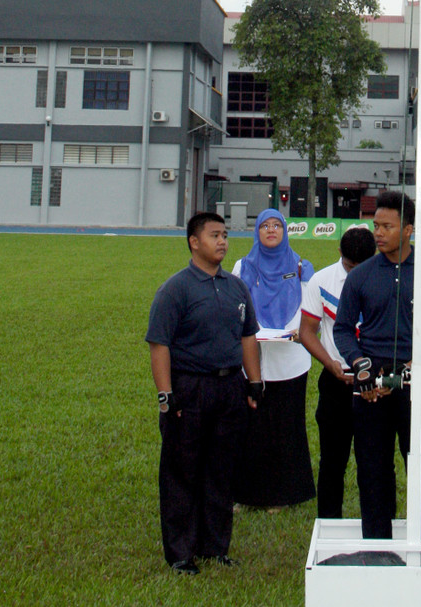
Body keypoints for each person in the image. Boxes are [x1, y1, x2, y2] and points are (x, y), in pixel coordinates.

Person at [334, 190, 421, 540]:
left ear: (408, 230)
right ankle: (377, 544)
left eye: (387, 226)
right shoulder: (360, 276)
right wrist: (360, 365)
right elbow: (343, 329)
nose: (378, 233)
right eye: (376, 225)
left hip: (414, 383)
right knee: (372, 469)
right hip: (370, 385)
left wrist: (410, 369)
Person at [146, 212, 264, 575]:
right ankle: (181, 553)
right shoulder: (175, 289)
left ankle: (215, 546)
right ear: (194, 242)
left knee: (221, 470)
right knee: (182, 471)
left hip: (230, 388)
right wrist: (167, 396)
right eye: (214, 235)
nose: (223, 242)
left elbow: (248, 336)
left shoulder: (236, 287)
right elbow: (159, 345)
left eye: (225, 235)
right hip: (189, 387)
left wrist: (254, 382)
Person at [232, 208, 316, 509]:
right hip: (253, 361)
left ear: (285, 232)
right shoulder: (243, 267)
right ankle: (247, 495)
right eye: (265, 225)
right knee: (251, 428)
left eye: (276, 225)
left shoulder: (302, 266)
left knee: (286, 428)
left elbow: (311, 308)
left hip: (291, 361)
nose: (270, 230)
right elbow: (235, 306)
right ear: (257, 232)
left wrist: (297, 330)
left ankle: (283, 495)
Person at [299, 225, 379, 518]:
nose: (355, 272)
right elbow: (306, 331)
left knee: (373, 463)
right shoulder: (321, 281)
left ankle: (376, 530)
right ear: (339, 254)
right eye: (349, 266)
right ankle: (328, 527)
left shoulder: (386, 279)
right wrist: (329, 363)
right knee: (333, 461)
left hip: (374, 385)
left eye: (362, 266)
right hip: (336, 382)